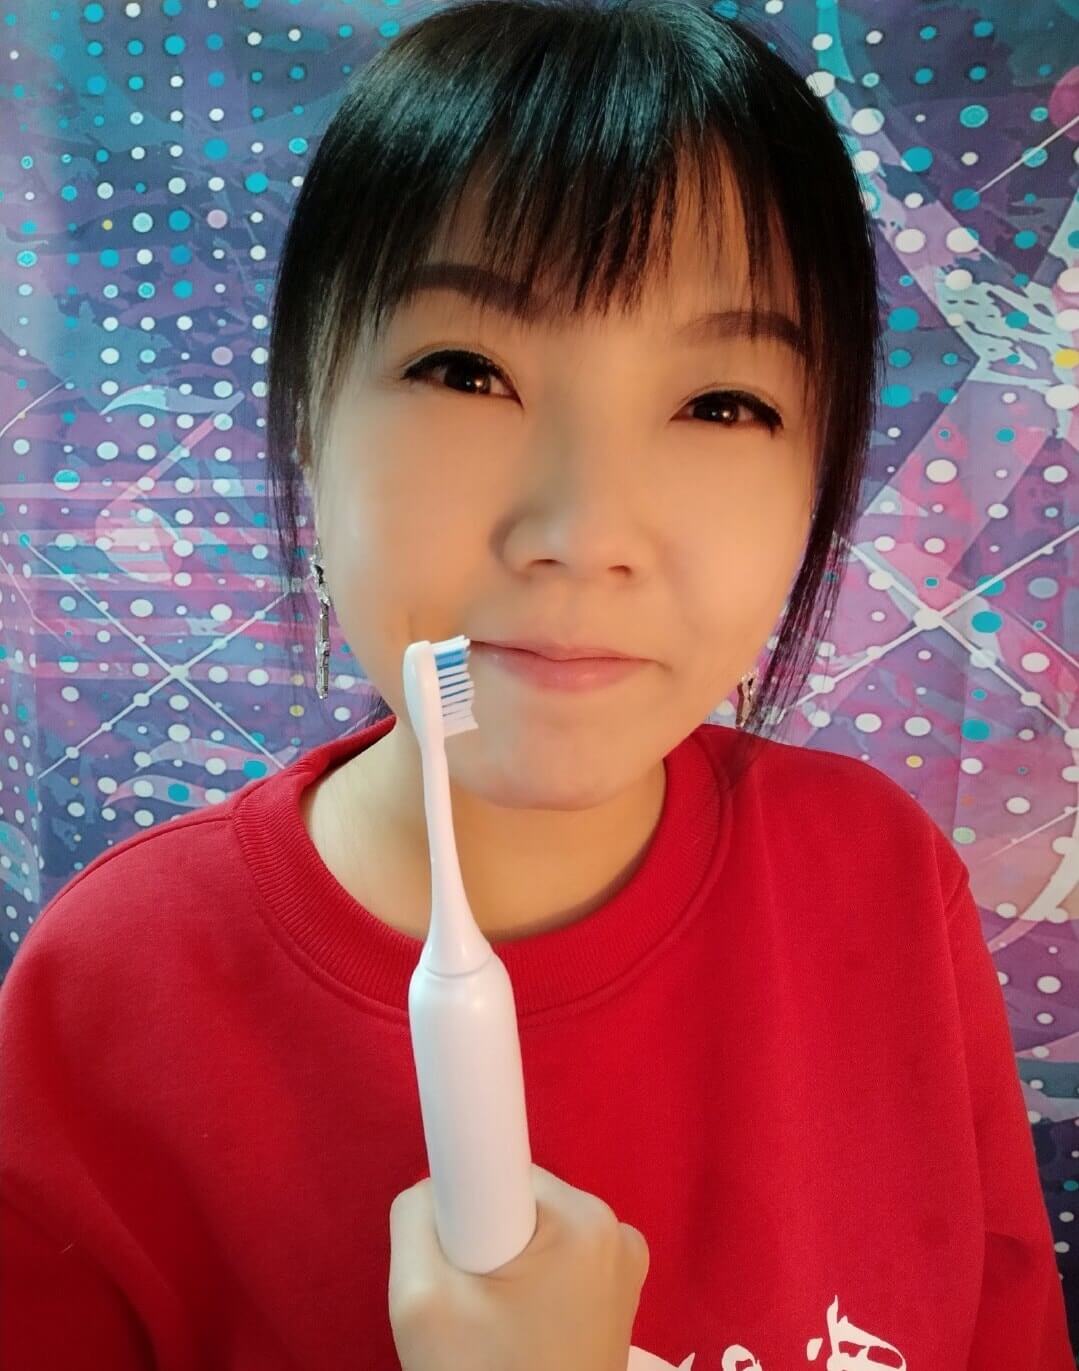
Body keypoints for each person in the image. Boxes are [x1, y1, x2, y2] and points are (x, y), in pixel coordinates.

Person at [1, 1, 1072, 1368]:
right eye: (467, 370)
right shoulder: (112, 993)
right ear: (305, 413)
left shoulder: (884, 882)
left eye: (722, 403)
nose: (582, 532)